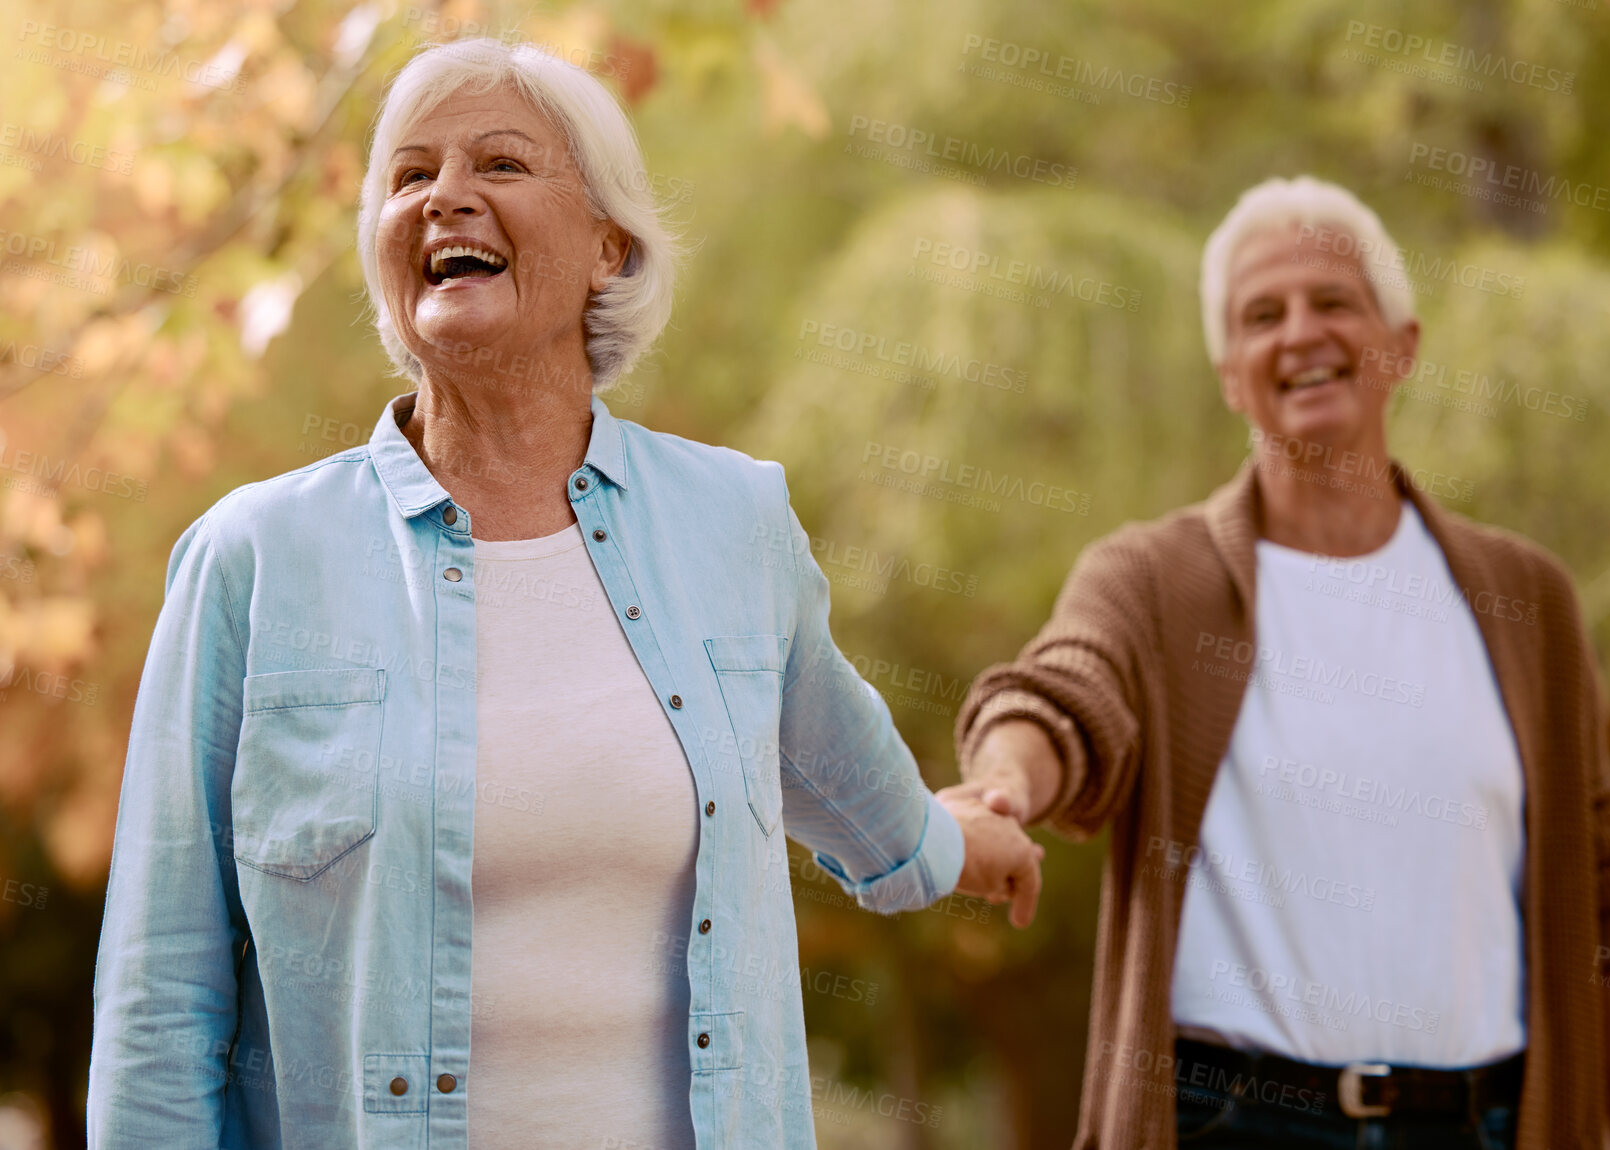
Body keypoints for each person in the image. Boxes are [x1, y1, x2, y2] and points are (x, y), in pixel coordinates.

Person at [87, 37, 1042, 1150]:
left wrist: (961, 841)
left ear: (608, 246)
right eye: (409, 176)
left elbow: (841, 768)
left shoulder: (732, 524)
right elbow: (159, 995)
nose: (446, 198)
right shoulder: (253, 558)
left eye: (499, 164)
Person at [947, 176, 1610, 1150]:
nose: (1299, 333)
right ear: (1229, 375)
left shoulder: (1523, 599)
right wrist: (999, 785)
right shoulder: (1154, 580)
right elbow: (1064, 691)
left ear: (1401, 346)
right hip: (1233, 1124)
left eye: (1333, 301)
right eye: (1260, 315)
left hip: (1483, 1126)